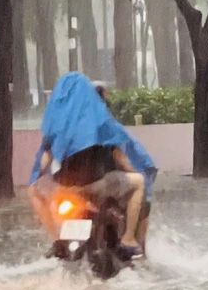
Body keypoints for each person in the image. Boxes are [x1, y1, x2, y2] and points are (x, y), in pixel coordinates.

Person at [30, 72, 156, 256]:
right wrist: (138, 173)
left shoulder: (58, 125)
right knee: (139, 183)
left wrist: (40, 181)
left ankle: (56, 238)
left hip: (64, 189)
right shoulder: (101, 121)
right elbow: (121, 158)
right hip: (96, 186)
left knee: (33, 191)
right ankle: (128, 238)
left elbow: (44, 162)